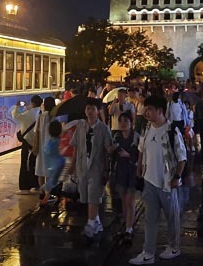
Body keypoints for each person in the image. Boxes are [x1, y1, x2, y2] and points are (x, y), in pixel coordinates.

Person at [129, 95, 186, 265]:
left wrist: (177, 177)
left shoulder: (171, 131)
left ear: (160, 111)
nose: (146, 112)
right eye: (146, 109)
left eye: (150, 109)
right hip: (149, 182)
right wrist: (139, 168)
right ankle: (148, 253)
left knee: (172, 217)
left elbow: (182, 157)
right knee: (150, 219)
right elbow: (141, 150)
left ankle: (174, 247)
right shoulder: (147, 129)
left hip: (168, 183)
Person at [69, 98, 112, 238]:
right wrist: (72, 164)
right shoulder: (81, 127)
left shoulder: (103, 129)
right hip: (82, 166)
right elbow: (76, 147)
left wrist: (107, 169)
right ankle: (97, 222)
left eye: (93, 109)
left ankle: (91, 225)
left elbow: (107, 151)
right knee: (86, 197)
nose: (90, 112)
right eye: (88, 109)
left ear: (98, 111)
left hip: (97, 167)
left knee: (94, 196)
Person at [113, 111, 140, 244]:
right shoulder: (116, 137)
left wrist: (129, 156)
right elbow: (112, 154)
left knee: (130, 200)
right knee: (123, 201)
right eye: (121, 121)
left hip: (133, 171)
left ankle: (129, 228)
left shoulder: (136, 137)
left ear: (131, 123)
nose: (123, 124)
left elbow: (142, 155)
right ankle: (126, 224)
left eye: (126, 121)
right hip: (120, 171)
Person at [12, 95, 42, 194]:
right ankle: (36, 184)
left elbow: (16, 116)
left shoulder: (29, 113)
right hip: (38, 143)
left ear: (32, 103)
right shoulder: (41, 113)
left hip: (27, 142)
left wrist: (17, 107)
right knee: (36, 164)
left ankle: (25, 188)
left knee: (25, 164)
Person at [40, 120, 65, 207]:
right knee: (55, 182)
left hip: (51, 166)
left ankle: (47, 198)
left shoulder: (50, 142)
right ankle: (50, 197)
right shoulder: (60, 142)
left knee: (52, 182)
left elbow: (47, 153)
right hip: (59, 165)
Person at [34, 97, 57, 191]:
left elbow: (36, 131)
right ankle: (48, 192)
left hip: (41, 147)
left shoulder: (41, 116)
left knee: (41, 171)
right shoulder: (55, 117)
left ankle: (42, 192)